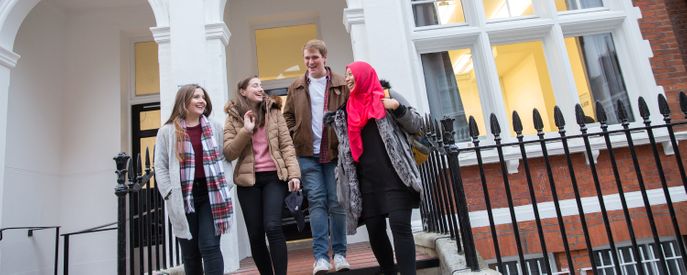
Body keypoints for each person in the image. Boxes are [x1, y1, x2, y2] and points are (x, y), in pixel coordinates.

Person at [329, 61, 423, 275]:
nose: (348, 78)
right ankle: (389, 271)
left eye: (352, 74)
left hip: (396, 176)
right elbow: (345, 150)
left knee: (400, 226)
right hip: (366, 181)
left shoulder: (387, 96)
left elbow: (417, 125)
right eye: (346, 75)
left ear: (364, 75)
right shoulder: (345, 111)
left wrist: (397, 109)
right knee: (375, 230)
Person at [283, 39, 351, 274]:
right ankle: (321, 257)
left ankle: (340, 254)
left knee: (337, 203)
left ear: (324, 57)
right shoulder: (296, 87)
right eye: (306, 58)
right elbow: (288, 116)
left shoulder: (342, 85)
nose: (310, 62)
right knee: (317, 203)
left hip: (334, 154)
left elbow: (350, 116)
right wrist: (296, 135)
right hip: (307, 155)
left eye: (314, 57)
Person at [224, 76, 301, 275]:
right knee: (256, 234)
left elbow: (286, 145)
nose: (260, 89)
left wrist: (294, 175)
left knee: (273, 226)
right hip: (248, 182)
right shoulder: (233, 116)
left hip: (274, 178)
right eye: (255, 85)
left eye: (261, 85)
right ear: (243, 91)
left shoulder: (274, 112)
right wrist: (245, 131)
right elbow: (229, 152)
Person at [154, 84, 233, 275]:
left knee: (209, 246)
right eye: (196, 97)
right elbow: (160, 166)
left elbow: (224, 158)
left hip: (211, 194)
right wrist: (169, 192)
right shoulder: (167, 131)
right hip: (182, 196)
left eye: (203, 97)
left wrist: (226, 182)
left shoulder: (214, 127)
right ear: (184, 101)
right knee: (190, 253)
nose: (202, 101)